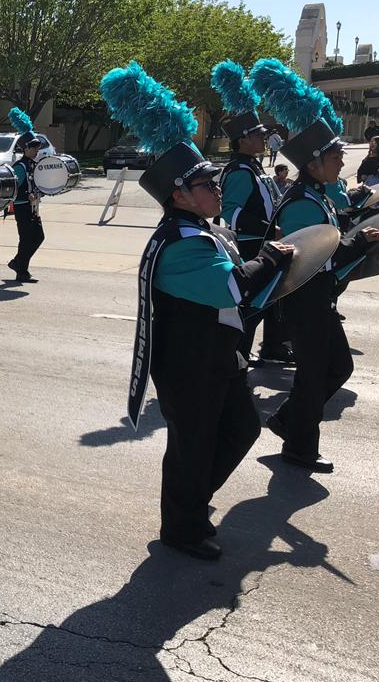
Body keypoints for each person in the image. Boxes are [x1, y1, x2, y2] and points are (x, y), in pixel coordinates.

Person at [102, 61, 293, 561]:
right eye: (207, 184)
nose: (217, 190)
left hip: (214, 355)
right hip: (190, 364)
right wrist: (270, 256)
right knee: (191, 448)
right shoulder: (183, 244)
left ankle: (191, 503)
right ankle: (181, 527)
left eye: (213, 182)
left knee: (240, 429)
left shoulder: (200, 232)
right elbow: (234, 288)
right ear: (179, 194)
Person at [249, 57, 379, 475]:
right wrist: (356, 242)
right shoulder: (302, 203)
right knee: (316, 374)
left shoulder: (318, 197)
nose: (342, 161)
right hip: (305, 301)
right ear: (312, 164)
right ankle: (299, 447)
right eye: (336, 156)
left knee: (335, 367)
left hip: (318, 299)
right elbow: (315, 259)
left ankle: (289, 421)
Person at [212, 59, 291, 365]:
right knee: (249, 309)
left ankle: (267, 346)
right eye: (258, 134)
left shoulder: (253, 165)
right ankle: (234, 359)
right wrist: (270, 230)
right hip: (248, 248)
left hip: (262, 242)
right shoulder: (240, 170)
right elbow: (231, 214)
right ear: (243, 139)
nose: (264, 137)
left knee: (266, 304)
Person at [7, 107, 44, 283]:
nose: (37, 150)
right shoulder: (20, 167)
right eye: (34, 147)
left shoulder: (32, 165)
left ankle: (17, 262)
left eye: (37, 147)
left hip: (33, 207)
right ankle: (21, 270)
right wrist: (26, 196)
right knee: (27, 239)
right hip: (22, 207)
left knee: (38, 237)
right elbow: (13, 189)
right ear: (26, 148)